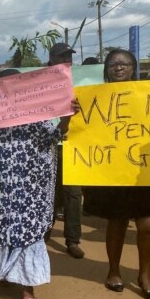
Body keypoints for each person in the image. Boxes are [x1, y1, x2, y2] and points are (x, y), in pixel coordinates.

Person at [0, 67, 79, 299]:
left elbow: (55, 136)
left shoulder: (37, 114)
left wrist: (67, 116)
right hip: (0, 187)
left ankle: (28, 288)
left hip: (30, 187)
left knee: (29, 233)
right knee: (1, 229)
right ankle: (4, 271)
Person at [82, 49, 150, 299]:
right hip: (113, 169)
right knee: (117, 221)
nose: (118, 68)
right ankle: (113, 271)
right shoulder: (93, 97)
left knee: (148, 224)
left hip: (143, 169)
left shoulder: (149, 94)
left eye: (124, 64)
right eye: (113, 64)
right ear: (106, 69)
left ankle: (145, 275)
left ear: (133, 68)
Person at [46, 43, 85, 259]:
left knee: (73, 194)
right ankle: (44, 235)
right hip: (48, 146)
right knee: (48, 194)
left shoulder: (80, 84)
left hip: (73, 146)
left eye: (69, 58)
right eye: (62, 57)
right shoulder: (39, 84)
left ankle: (72, 240)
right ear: (51, 60)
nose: (66, 62)